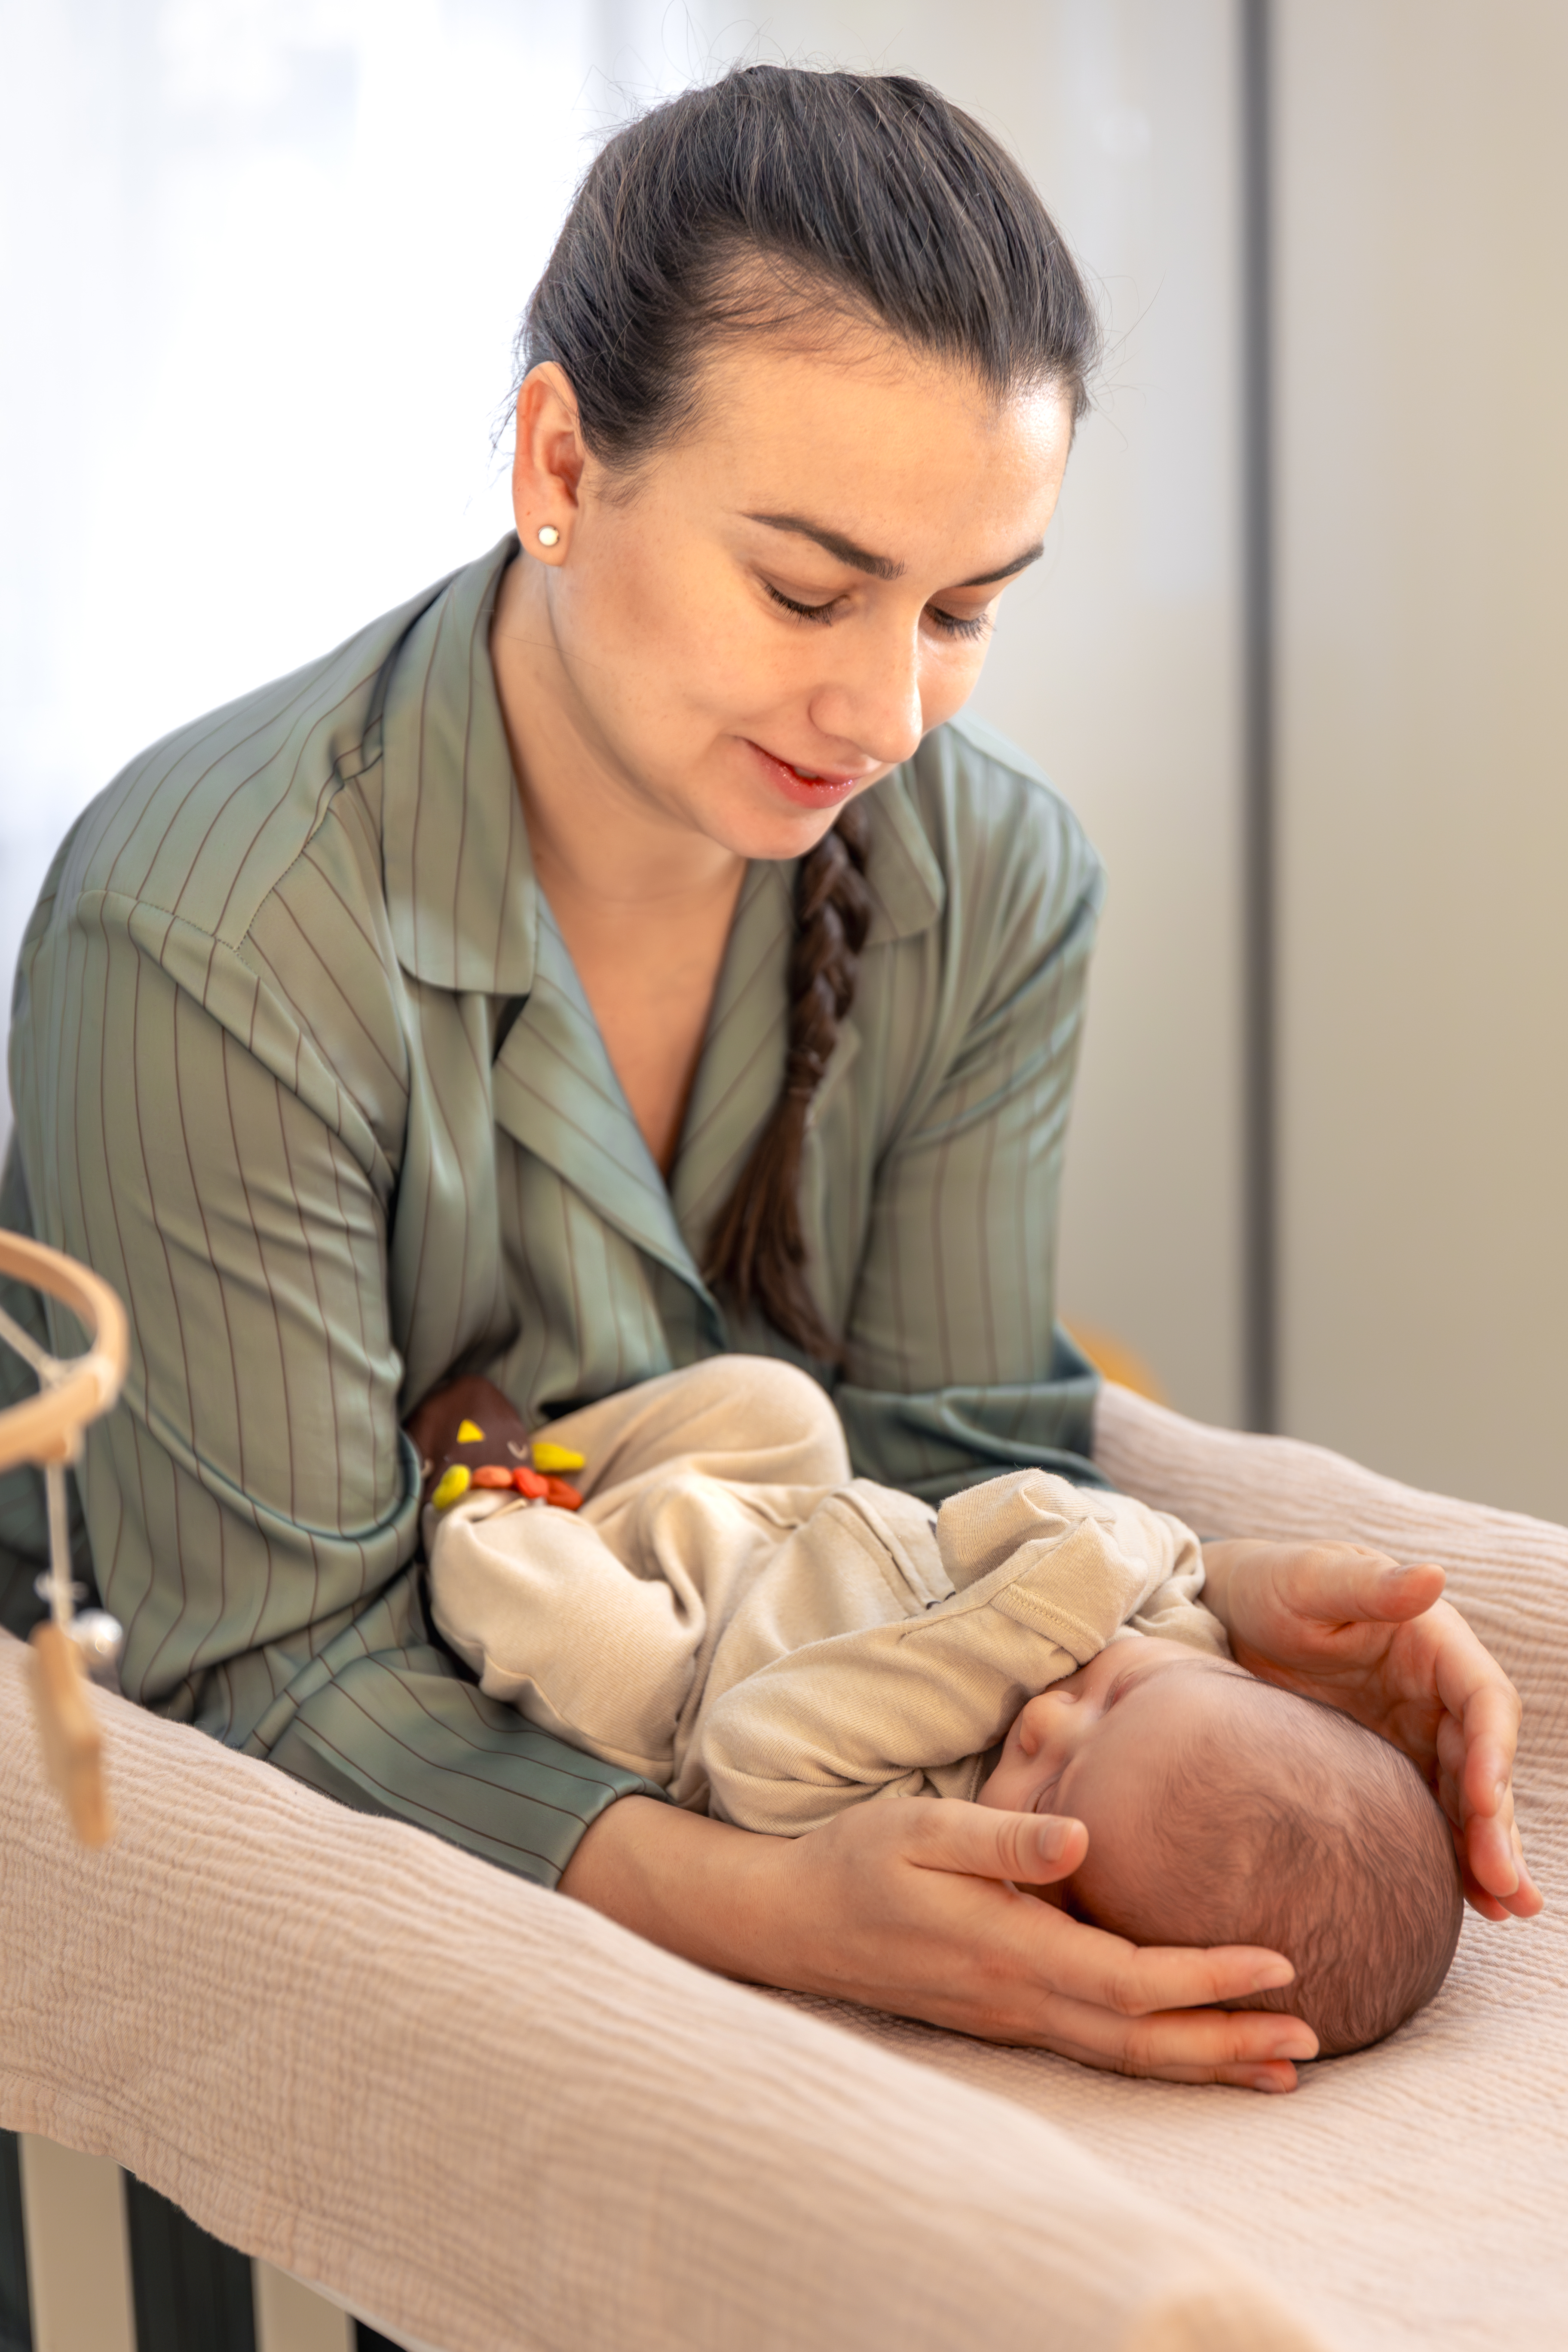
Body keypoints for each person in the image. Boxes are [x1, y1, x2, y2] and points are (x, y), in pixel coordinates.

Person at [0, 65, 1536, 2095]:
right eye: (809, 590)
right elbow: (265, 1669)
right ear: (561, 459)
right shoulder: (210, 929)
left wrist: (1212, 1618)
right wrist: (768, 1904)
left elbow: (927, 1440)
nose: (886, 710)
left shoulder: (993, 878)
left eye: (965, 609)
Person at [426, 1354, 1464, 2058]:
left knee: (583, 1644)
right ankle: (581, 1459)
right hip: (776, 1512)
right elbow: (1057, 1524)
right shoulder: (1178, 1646)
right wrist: (1139, 1587)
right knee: (780, 1403)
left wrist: (1015, 1637)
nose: (1047, 1717)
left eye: (1051, 1789)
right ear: (1236, 1678)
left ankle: (482, 1491)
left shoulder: (922, 1825)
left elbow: (752, 1739)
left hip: (688, 1664)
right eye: (1119, 1689)